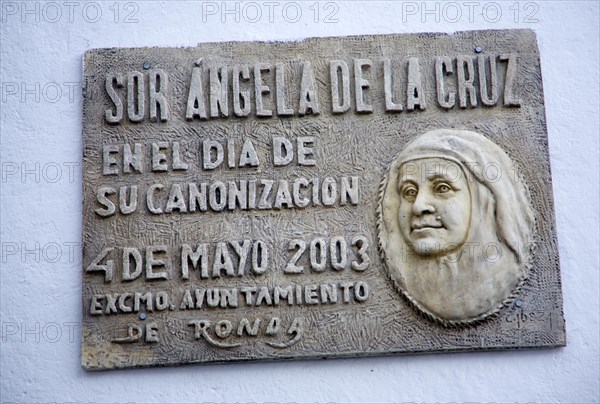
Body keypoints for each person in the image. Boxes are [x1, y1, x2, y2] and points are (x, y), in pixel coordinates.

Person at [378, 129, 536, 326]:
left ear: (483, 201)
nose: (418, 206)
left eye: (442, 188)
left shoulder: (502, 280)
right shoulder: (411, 285)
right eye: (409, 191)